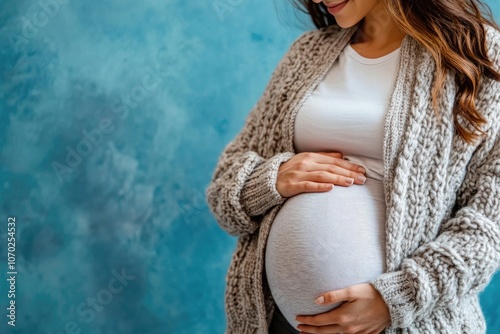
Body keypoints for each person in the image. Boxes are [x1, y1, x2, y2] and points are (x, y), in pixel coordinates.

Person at [205, 0, 500, 333]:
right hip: (279, 324)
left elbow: (490, 222)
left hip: (412, 322)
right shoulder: (307, 55)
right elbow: (223, 188)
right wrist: (272, 178)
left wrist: (397, 298)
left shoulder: (475, 53)